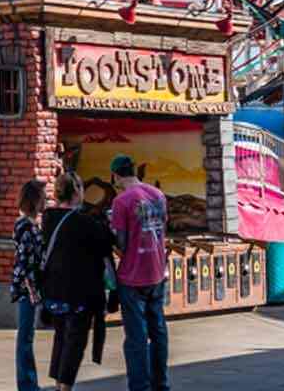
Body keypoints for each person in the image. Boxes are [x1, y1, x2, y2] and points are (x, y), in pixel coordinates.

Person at [41, 172, 116, 391]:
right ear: (76, 192)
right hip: (79, 294)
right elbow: (107, 242)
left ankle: (58, 385)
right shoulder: (84, 222)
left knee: (61, 337)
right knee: (75, 341)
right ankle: (65, 387)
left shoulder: (48, 219)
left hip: (53, 291)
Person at [109, 154, 170, 391]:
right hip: (156, 271)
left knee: (136, 337)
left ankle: (140, 387)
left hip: (132, 276)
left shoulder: (121, 201)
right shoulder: (158, 195)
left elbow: (121, 244)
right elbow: (162, 228)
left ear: (115, 175)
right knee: (158, 331)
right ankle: (161, 384)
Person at [12, 179, 47, 391]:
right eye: (43, 197)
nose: (46, 201)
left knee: (27, 336)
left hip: (28, 287)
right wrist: (33, 291)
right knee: (25, 337)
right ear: (34, 200)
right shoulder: (27, 227)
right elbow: (25, 262)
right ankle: (27, 384)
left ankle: (29, 383)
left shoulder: (27, 224)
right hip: (28, 289)